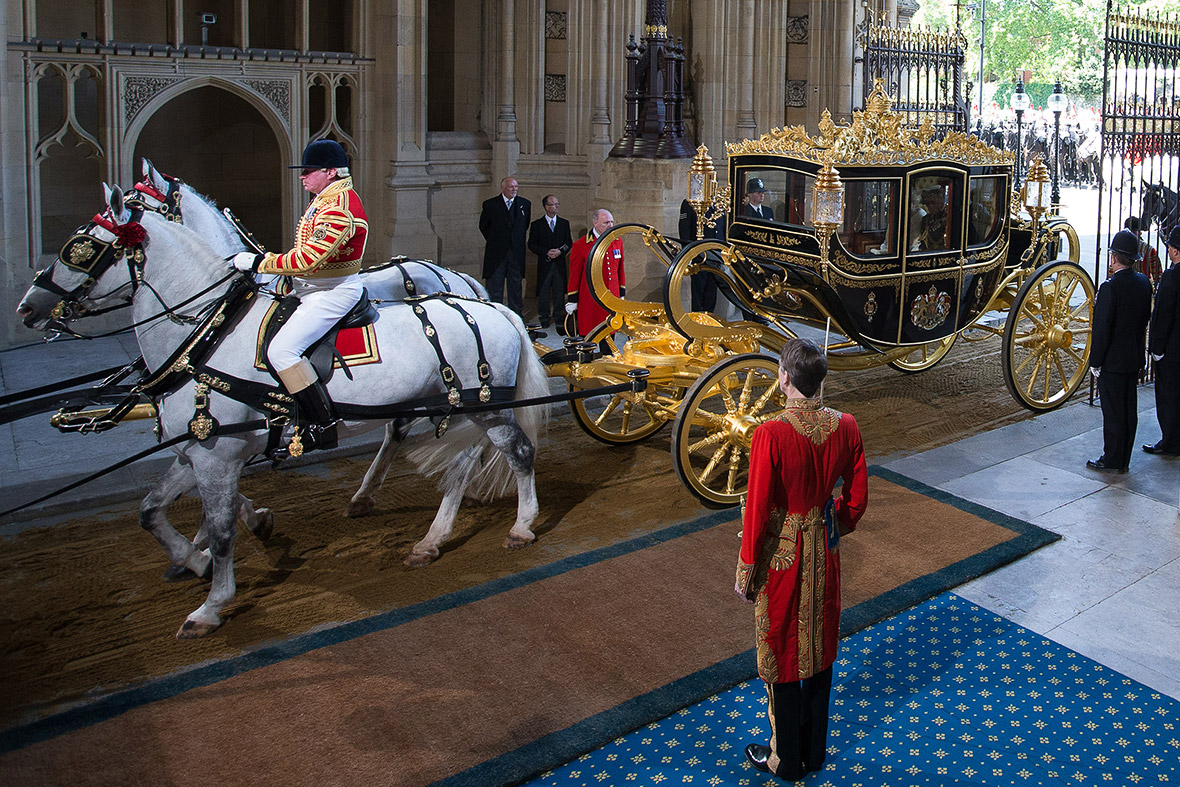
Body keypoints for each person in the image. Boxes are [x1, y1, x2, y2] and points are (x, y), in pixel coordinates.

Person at [735, 338, 868, 782]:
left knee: (783, 647)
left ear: (785, 378)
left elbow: (756, 508)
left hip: (782, 555)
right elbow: (858, 498)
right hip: (824, 552)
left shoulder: (770, 433)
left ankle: (785, 758)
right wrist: (835, 525)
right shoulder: (846, 425)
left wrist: (748, 567)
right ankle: (814, 751)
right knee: (819, 644)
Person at [230, 138, 367, 452]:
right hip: (311, 287)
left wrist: (259, 263)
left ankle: (322, 423)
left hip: (332, 292)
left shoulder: (339, 207)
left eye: (308, 171)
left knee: (282, 352)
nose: (302, 176)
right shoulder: (325, 197)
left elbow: (309, 259)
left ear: (330, 172)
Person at [1088, 229, 1153, 473]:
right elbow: (1144, 320)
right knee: (1128, 411)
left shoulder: (1110, 288)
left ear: (1114, 258)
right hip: (1133, 357)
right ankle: (1124, 457)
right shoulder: (1143, 282)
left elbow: (1102, 329)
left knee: (1114, 414)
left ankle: (1112, 459)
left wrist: (1096, 361)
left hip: (1113, 362)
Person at [1145, 225, 1180, 456]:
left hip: (1172, 350)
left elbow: (1163, 314)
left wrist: (1156, 348)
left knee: (1169, 396)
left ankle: (1171, 441)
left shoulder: (1172, 277)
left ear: (1175, 251)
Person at [566, 209, 624, 340]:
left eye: (611, 222)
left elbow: (620, 269)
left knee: (609, 334)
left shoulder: (617, 241)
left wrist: (621, 294)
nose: (610, 225)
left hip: (611, 299)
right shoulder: (581, 245)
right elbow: (574, 275)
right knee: (588, 337)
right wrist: (572, 300)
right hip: (590, 300)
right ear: (595, 223)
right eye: (606, 223)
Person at [479, 176, 531, 315]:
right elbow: (484, 226)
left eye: (516, 187)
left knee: (515, 286)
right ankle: (495, 315)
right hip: (496, 253)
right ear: (503, 188)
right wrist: (497, 241)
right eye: (511, 187)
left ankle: (516, 315)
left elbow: (524, 226)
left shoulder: (524, 204)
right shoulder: (490, 204)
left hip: (516, 252)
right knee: (495, 286)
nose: (514, 189)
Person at [527, 194, 572, 330]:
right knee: (544, 291)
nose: (557, 206)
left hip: (559, 264)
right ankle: (544, 316)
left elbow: (568, 242)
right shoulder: (537, 225)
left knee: (559, 291)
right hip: (545, 264)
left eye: (558, 204)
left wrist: (560, 251)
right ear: (546, 207)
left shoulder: (564, 223)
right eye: (553, 204)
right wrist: (546, 252)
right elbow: (532, 244)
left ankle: (558, 316)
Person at [678, 199, 723, 312]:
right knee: (698, 291)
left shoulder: (719, 203)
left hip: (715, 256)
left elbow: (721, 229)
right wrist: (687, 254)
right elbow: (684, 229)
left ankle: (709, 319)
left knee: (711, 292)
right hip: (699, 256)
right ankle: (697, 320)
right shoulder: (690, 202)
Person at [1125, 216, 1163, 287]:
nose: (1130, 234)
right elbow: (1112, 273)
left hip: (1143, 289)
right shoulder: (1119, 248)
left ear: (1140, 233)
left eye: (1133, 232)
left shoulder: (1149, 250)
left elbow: (1158, 276)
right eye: (1128, 232)